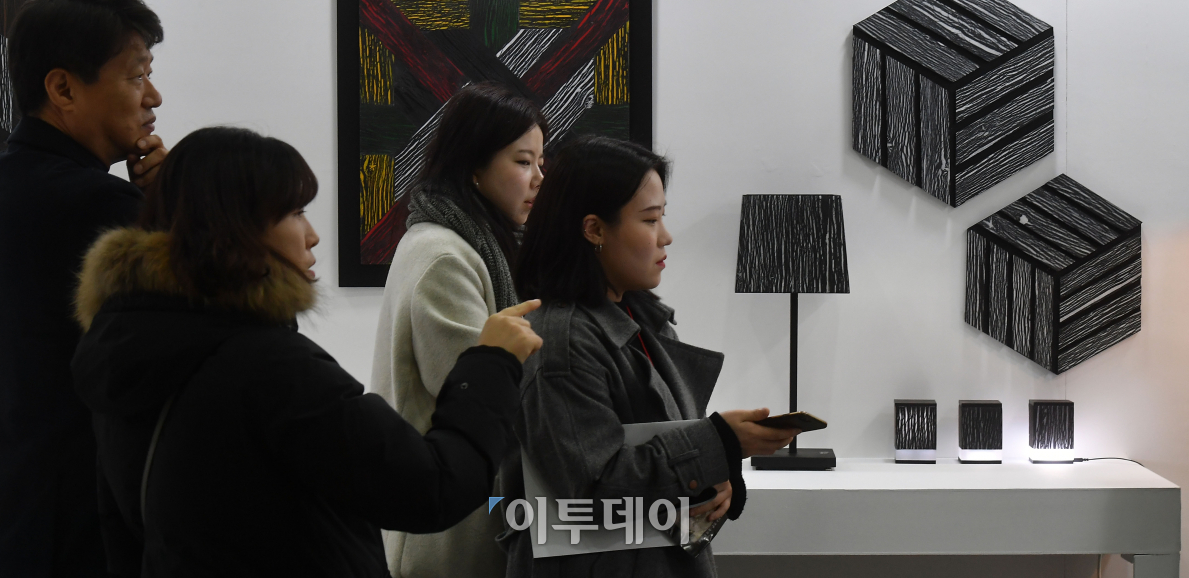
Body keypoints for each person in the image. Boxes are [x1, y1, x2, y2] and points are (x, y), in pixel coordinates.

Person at [70, 126, 543, 576]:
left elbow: (122, 537)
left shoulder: (127, 354)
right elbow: (430, 487)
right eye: (295, 213)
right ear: (239, 231)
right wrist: (491, 363)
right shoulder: (269, 369)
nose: (312, 235)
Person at [503, 136, 801, 578]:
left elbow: (664, 456)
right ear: (594, 229)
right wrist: (719, 442)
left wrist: (719, 478)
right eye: (650, 219)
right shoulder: (561, 343)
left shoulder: (640, 320)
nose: (666, 236)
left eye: (662, 217)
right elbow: (593, 489)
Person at [0, 0, 167, 577]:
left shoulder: (2, 184)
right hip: (87, 522)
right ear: (63, 88)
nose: (154, 96)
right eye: (136, 76)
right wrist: (176, 213)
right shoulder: (104, 207)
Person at [370, 82, 547, 578]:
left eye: (541, 161)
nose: (539, 178)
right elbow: (480, 394)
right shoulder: (446, 256)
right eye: (523, 162)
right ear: (473, 166)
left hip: (466, 513)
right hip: (448, 536)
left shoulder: (466, 243)